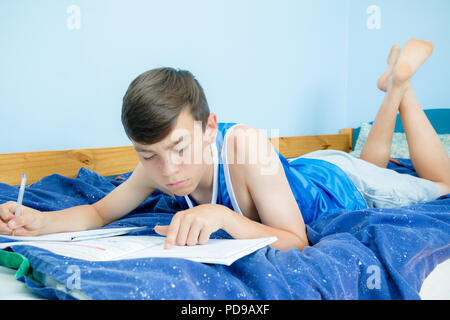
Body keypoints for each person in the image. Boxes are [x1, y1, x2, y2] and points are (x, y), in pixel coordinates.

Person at [0, 39, 449, 251]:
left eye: (180, 148)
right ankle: (393, 87)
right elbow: (100, 213)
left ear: (209, 128)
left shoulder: (247, 146)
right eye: (148, 156)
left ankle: (403, 87)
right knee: (369, 160)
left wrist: (221, 215)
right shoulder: (158, 159)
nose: (169, 170)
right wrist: (38, 221)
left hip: (340, 185)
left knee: (438, 183)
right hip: (305, 170)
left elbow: (296, 242)